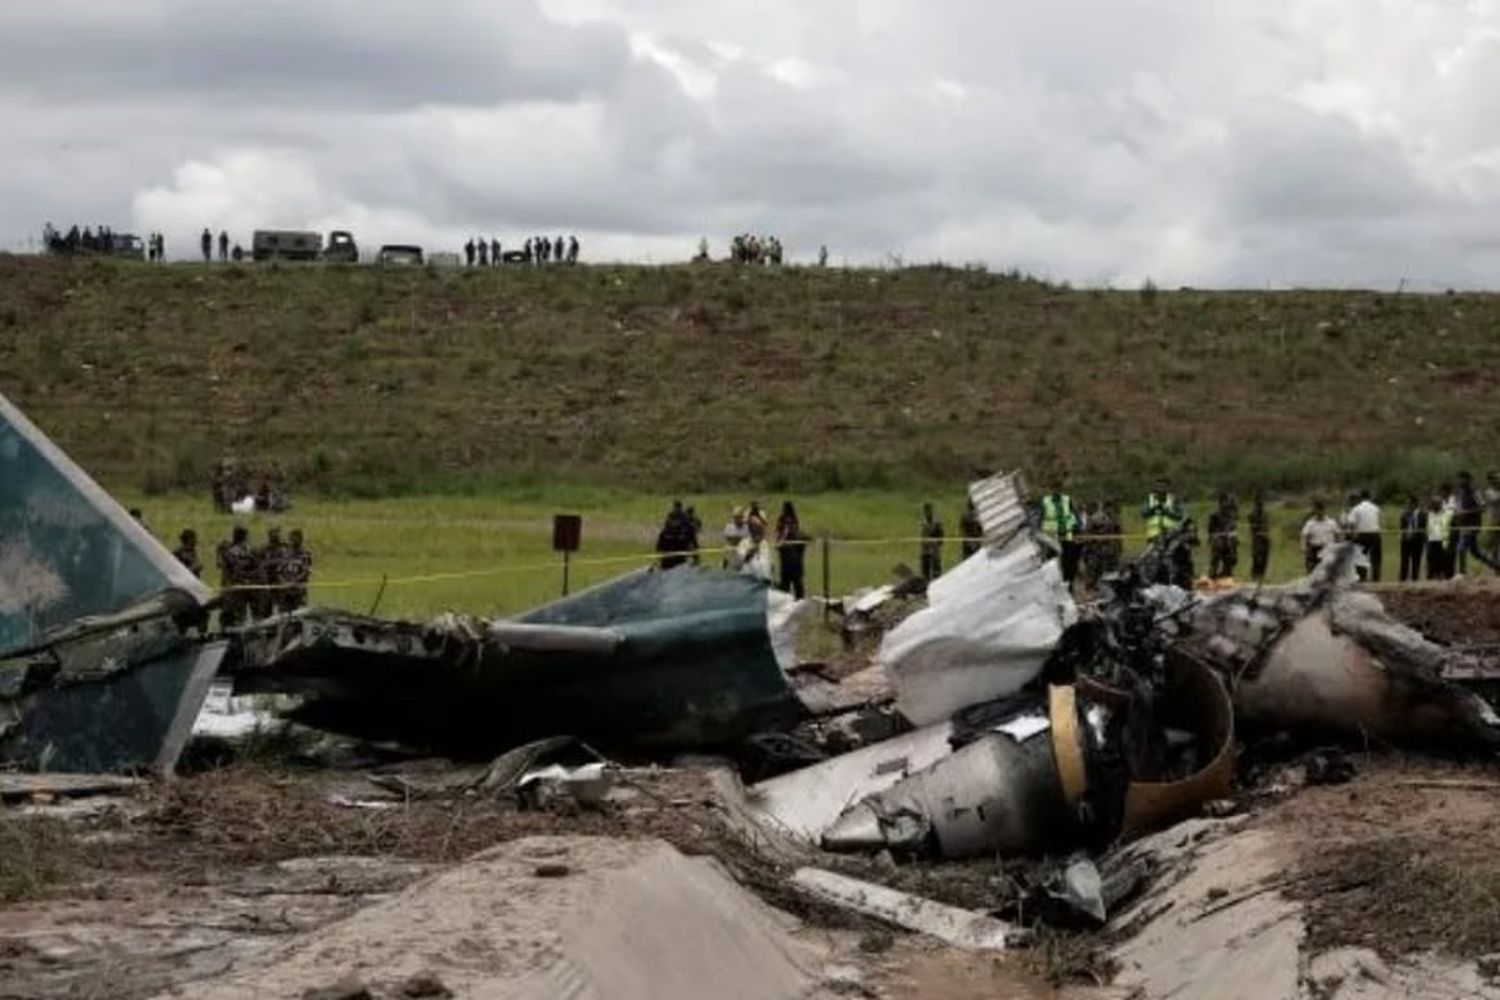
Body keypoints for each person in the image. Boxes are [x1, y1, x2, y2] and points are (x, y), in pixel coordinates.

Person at [1453, 471, 1496, 575]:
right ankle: (1496, 566)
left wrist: (1466, 512)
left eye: (1463, 479)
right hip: (1463, 525)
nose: (1460, 481)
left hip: (1473, 525)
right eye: (1459, 479)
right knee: (1475, 552)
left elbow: (1483, 507)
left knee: (1461, 548)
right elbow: (1460, 508)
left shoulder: (1475, 492)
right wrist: (1457, 513)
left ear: (1468, 480)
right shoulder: (1461, 493)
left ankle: (1461, 573)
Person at [1038, 482, 1079, 584]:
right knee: (1052, 559)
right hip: (1053, 536)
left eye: (1057, 489)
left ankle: (1068, 581)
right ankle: (1053, 580)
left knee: (1069, 559)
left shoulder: (1067, 500)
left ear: (1060, 490)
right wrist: (1042, 532)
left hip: (1067, 534)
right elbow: (1041, 517)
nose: (1055, 491)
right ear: (1050, 490)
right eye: (1053, 489)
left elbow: (1074, 514)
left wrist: (1077, 528)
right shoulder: (1046, 501)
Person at [216, 525, 253, 626]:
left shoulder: (230, 551)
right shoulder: (238, 552)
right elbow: (237, 570)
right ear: (244, 537)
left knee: (231, 613)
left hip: (232, 587)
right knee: (237, 614)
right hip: (235, 587)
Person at [1347, 489, 1382, 582]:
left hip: (1362, 535)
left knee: (1361, 558)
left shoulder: (1356, 508)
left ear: (1360, 497)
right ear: (1369, 497)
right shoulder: (1375, 507)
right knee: (1375, 559)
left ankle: (1362, 578)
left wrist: (1352, 535)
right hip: (1375, 534)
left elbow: (1351, 523)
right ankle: (1376, 579)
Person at [254, 527, 288, 619]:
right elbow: (259, 563)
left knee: (283, 607)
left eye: (276, 533)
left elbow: (286, 561)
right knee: (266, 607)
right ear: (269, 535)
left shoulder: (284, 547)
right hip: (267, 580)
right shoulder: (264, 548)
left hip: (280, 580)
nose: (275, 535)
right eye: (272, 533)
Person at [775, 501, 806, 598]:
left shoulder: (792, 521)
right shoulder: (783, 518)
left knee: (795, 581)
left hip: (794, 559)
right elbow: (778, 531)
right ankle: (787, 598)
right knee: (788, 581)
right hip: (787, 557)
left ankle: (798, 599)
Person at [1300, 500, 1341, 573]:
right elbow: (1304, 536)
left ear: (1324, 510)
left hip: (1328, 548)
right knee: (1312, 570)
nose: (1319, 513)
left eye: (1321, 510)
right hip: (1314, 548)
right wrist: (1304, 547)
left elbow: (1337, 535)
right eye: (1317, 511)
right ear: (1315, 511)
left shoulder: (1331, 522)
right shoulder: (1310, 523)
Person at [1206, 492, 1239, 580]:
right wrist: (1214, 537)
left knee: (1229, 561)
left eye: (1228, 501)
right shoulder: (1214, 515)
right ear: (1221, 502)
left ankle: (1226, 575)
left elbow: (1233, 528)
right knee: (1215, 561)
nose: (1227, 503)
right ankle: (1212, 576)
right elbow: (1210, 530)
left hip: (1228, 541)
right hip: (1219, 541)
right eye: (1226, 501)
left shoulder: (1230, 514)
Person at [1141, 479, 1183, 545]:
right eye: (1159, 486)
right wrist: (1154, 509)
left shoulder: (1173, 500)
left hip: (1170, 536)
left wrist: (1167, 512)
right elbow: (1144, 513)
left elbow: (1180, 515)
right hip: (1154, 536)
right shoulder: (1150, 499)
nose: (1161, 489)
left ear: (1168, 488)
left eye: (1163, 487)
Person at [279, 529, 312, 612]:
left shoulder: (305, 554)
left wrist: (294, 581)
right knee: (283, 613)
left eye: (294, 539)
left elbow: (306, 572)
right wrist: (283, 582)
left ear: (300, 540)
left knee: (299, 614)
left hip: (299, 590)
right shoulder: (285, 553)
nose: (292, 541)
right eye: (291, 539)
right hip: (285, 591)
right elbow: (279, 571)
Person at [655, 501, 693, 569]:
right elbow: (666, 524)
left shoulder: (684, 517)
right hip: (667, 556)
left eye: (677, 508)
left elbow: (688, 528)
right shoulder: (670, 516)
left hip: (680, 552)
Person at [1399, 494, 1426, 582]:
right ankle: (1402, 580)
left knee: (1416, 562)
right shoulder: (1404, 514)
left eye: (1410, 503)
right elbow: (1402, 526)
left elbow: (1423, 527)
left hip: (1417, 541)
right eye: (1408, 504)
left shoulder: (1422, 514)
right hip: (1406, 540)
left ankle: (1415, 580)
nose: (1408, 505)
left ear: (1415, 504)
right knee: (1404, 562)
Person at [1428, 494, 1453, 581]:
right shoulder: (1428, 514)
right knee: (1432, 562)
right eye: (1433, 503)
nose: (1435, 505)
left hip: (1443, 540)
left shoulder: (1448, 513)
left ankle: (1444, 578)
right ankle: (1434, 578)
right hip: (1431, 540)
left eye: (1437, 503)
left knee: (1443, 562)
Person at [1248, 493, 1271, 582]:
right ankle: (1255, 577)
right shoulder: (1252, 514)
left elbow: (1266, 526)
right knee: (1257, 558)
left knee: (1265, 558)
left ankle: (1261, 576)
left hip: (1265, 538)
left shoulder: (1265, 514)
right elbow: (1253, 529)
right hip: (1257, 539)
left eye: (1262, 501)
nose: (1261, 503)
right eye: (1259, 501)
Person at [920, 503, 944, 581]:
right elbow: (922, 536)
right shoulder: (923, 523)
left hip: (935, 550)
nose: (927, 513)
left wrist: (936, 543)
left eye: (929, 510)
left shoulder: (937, 523)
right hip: (925, 551)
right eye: (926, 511)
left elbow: (941, 536)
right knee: (925, 571)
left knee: (936, 571)